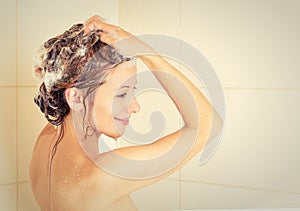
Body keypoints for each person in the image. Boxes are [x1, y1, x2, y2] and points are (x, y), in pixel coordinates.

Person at [30, 15, 222, 210]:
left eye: (133, 91)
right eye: (122, 94)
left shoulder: (45, 143)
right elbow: (209, 125)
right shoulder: (101, 176)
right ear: (75, 98)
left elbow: (60, 87)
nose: (135, 106)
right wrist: (147, 53)